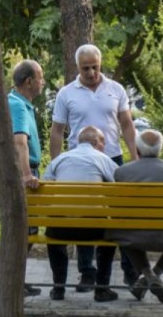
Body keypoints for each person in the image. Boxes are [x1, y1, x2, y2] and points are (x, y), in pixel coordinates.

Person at [49, 43, 139, 291]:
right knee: (84, 213)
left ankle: (130, 271)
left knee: (121, 217)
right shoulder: (67, 93)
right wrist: (56, 164)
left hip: (112, 158)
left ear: (101, 65)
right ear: (77, 67)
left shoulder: (115, 89)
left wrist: (135, 157)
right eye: (85, 68)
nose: (91, 73)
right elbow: (57, 131)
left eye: (95, 67)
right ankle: (87, 272)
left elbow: (127, 124)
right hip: (78, 161)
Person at [0, 59, 46, 298]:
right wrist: (27, 175)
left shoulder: (19, 103)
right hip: (25, 172)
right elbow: (19, 141)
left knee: (25, 229)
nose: (43, 82)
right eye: (40, 77)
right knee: (23, 229)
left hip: (25, 170)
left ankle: (12, 279)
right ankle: (3, 281)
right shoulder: (18, 106)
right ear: (29, 81)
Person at [104, 129, 163, 303]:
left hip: (132, 236)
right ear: (160, 149)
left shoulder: (122, 172)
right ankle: (154, 276)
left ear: (138, 150)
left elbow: (115, 208)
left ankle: (148, 277)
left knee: (121, 231)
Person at [42, 126, 119, 302]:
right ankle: (102, 289)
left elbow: (46, 187)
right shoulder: (103, 159)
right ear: (95, 142)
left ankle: (58, 288)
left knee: (54, 238)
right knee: (110, 239)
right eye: (103, 142)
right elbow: (119, 184)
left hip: (60, 229)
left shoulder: (60, 159)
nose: (104, 146)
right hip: (92, 229)